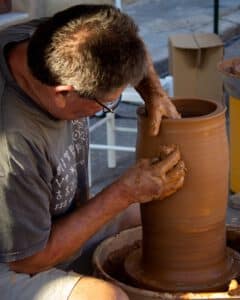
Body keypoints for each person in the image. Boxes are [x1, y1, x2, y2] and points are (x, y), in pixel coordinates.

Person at [0, 4, 185, 300]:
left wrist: (153, 91)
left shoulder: (54, 40)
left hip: (51, 220)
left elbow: (124, 44)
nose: (108, 109)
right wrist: (123, 192)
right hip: (13, 258)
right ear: (63, 93)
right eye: (107, 103)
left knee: (159, 215)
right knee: (107, 298)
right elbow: (27, 260)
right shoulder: (13, 148)